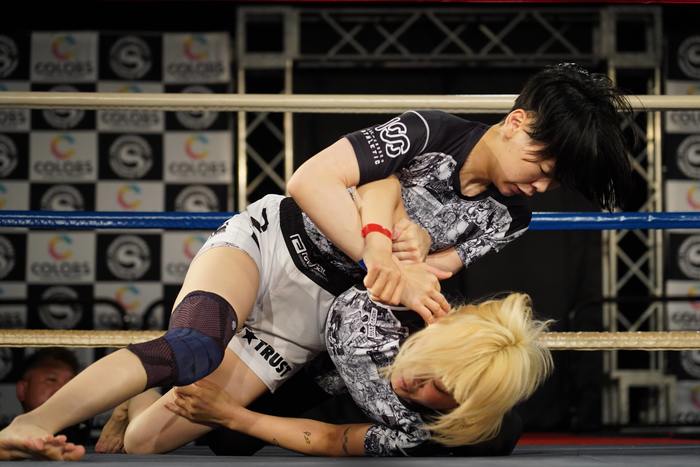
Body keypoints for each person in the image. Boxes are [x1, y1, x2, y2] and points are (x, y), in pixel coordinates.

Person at [0, 62, 632, 460]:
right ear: (517, 122)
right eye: (542, 166)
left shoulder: (511, 216)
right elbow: (310, 180)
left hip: (316, 311)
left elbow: (430, 271)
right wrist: (380, 246)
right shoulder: (429, 130)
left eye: (554, 182)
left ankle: (139, 395)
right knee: (194, 346)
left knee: (146, 443)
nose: (539, 186)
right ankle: (31, 424)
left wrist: (419, 265)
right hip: (274, 244)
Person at [166, 292, 552, 456]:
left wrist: (232, 416)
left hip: (330, 385)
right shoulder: (413, 305)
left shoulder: (425, 430)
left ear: (458, 406)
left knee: (230, 440)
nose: (415, 377)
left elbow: (333, 440)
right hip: (307, 331)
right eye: (426, 359)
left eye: (437, 386)